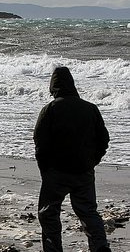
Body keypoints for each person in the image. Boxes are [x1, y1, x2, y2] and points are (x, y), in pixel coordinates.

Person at [33, 66, 111, 252]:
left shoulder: (50, 109)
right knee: (88, 213)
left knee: (49, 215)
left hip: (56, 173)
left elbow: (40, 143)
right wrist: (92, 161)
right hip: (83, 171)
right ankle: (100, 248)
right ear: (72, 85)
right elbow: (104, 140)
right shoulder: (91, 108)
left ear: (53, 87)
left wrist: (45, 169)